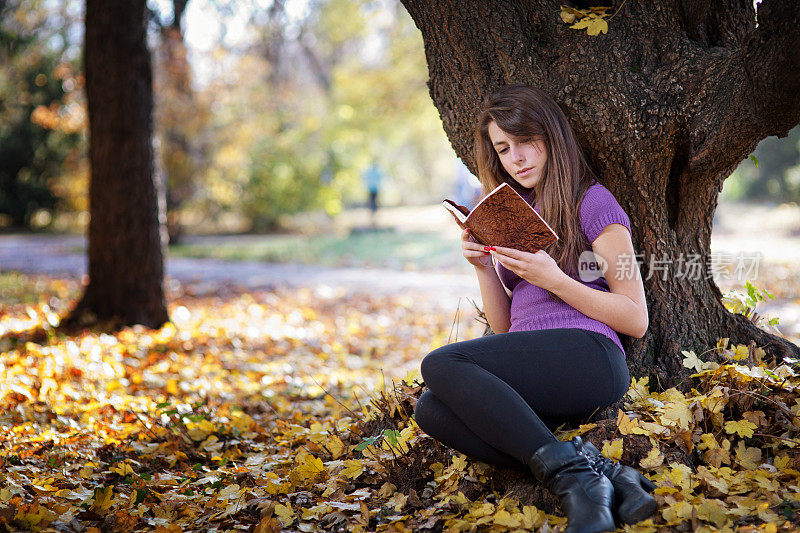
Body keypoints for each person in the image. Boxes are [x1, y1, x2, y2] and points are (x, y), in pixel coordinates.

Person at [413, 85, 656, 533]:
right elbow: (506, 327)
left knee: (440, 362)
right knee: (430, 409)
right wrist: (485, 268)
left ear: (552, 137)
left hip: (591, 356)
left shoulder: (593, 201)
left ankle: (580, 481)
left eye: (526, 141)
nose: (516, 158)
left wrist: (556, 280)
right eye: (503, 148)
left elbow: (635, 318)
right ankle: (598, 474)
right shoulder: (511, 213)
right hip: (538, 366)